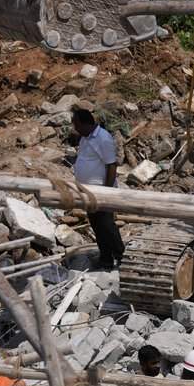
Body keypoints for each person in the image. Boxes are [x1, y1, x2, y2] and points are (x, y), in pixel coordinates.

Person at [71, 107, 124, 267]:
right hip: (88, 191)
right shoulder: (85, 138)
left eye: (77, 125)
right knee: (97, 225)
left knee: (107, 224)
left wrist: (105, 192)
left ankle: (121, 257)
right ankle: (106, 258)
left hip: (101, 191)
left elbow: (112, 166)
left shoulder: (103, 138)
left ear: (86, 124)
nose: (76, 129)